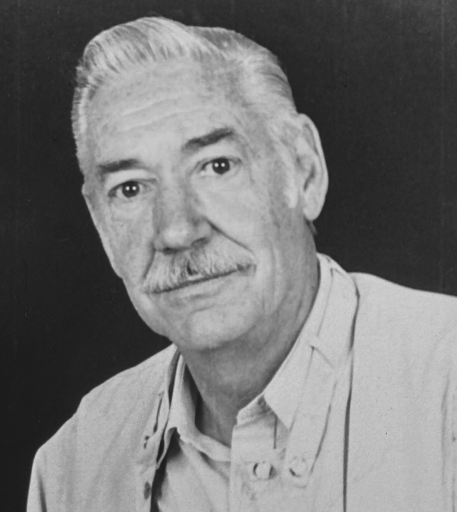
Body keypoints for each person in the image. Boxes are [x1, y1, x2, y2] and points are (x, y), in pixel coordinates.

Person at [27, 16, 457, 512]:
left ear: (304, 170)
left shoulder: (445, 385)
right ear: (102, 226)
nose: (176, 230)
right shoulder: (74, 468)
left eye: (217, 166)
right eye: (130, 188)